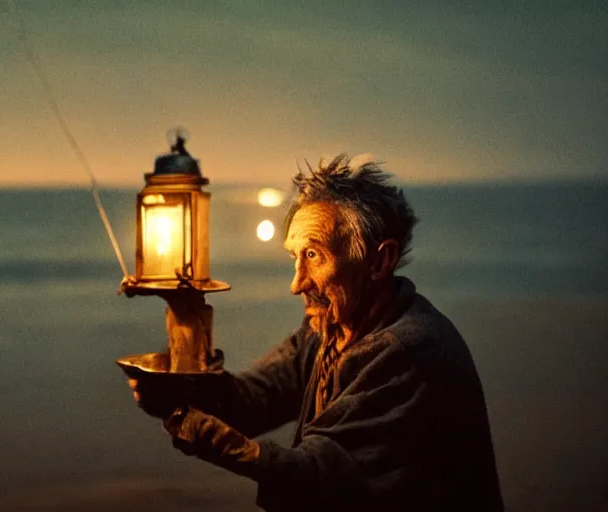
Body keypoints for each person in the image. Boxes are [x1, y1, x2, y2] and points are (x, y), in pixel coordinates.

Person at [128, 154, 503, 510]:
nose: (296, 284)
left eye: (314, 256)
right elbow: (255, 399)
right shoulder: (328, 329)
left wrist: (196, 428)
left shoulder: (407, 352)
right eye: (295, 257)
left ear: (378, 261)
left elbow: (316, 475)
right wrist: (183, 384)